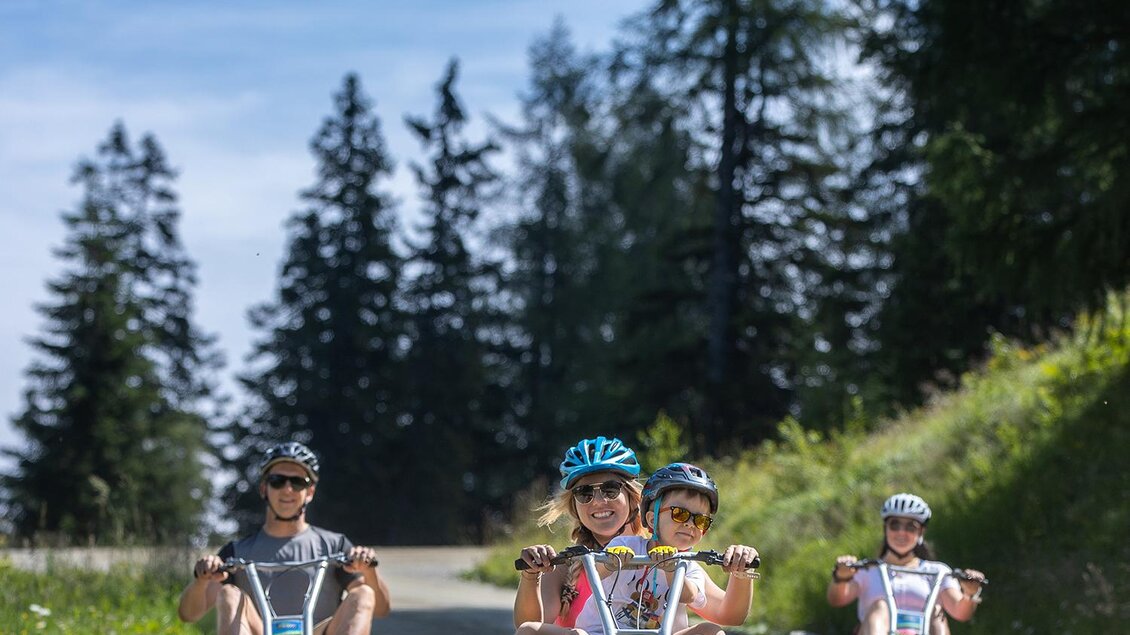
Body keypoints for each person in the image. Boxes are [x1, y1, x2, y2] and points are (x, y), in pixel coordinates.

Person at [177, 442, 391, 635]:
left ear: (309, 492)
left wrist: (368, 570)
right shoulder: (236, 552)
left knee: (363, 593)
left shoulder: (334, 546)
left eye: (297, 482)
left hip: (319, 631)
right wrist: (201, 580)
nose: (287, 489)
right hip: (261, 629)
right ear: (264, 488)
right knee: (229, 595)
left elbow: (381, 609)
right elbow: (189, 614)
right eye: (277, 481)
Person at [573, 462, 759, 635]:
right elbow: (595, 573)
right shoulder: (626, 545)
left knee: (710, 631)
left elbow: (689, 594)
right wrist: (613, 562)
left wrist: (671, 568)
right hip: (600, 631)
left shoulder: (689, 566)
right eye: (680, 514)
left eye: (700, 520)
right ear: (652, 519)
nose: (689, 524)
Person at [826, 493, 987, 635]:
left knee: (935, 612)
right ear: (885, 529)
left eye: (911, 527)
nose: (901, 532)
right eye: (895, 525)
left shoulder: (938, 572)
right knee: (880, 608)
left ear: (921, 532)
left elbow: (961, 613)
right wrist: (841, 577)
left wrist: (969, 593)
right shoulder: (869, 569)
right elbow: (837, 600)